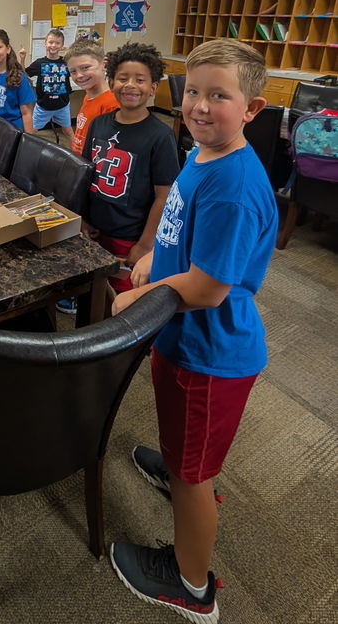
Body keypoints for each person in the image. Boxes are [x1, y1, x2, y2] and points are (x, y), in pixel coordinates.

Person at [109, 40, 277, 624]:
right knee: (181, 440)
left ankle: (191, 585)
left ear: (252, 109)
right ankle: (181, 459)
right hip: (183, 340)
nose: (201, 106)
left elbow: (207, 289)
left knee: (193, 476)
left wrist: (142, 294)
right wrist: (157, 255)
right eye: (194, 92)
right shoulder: (203, 152)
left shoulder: (234, 185)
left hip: (211, 354)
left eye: (220, 96)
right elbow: (182, 223)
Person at [58, 42, 179, 317]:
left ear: (153, 88)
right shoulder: (99, 123)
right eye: (123, 78)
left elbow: (165, 195)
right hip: (96, 228)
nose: (130, 85)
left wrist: (146, 245)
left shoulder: (160, 136)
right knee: (94, 292)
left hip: (129, 234)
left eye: (140, 79)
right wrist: (83, 218)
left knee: (125, 302)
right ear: (111, 81)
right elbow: (85, 173)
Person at [19, 28, 74, 144]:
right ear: (45, 43)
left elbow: (77, 73)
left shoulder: (66, 62)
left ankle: (80, 153)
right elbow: (24, 74)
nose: (53, 45)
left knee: (68, 131)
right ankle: (22, 152)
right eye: (51, 42)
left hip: (62, 105)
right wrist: (22, 59)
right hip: (43, 107)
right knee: (31, 132)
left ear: (62, 45)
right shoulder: (40, 63)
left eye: (57, 43)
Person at [65, 39, 120, 156]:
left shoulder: (112, 103)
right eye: (73, 71)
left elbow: (111, 146)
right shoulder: (88, 96)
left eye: (85, 68)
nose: (79, 75)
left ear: (104, 64)